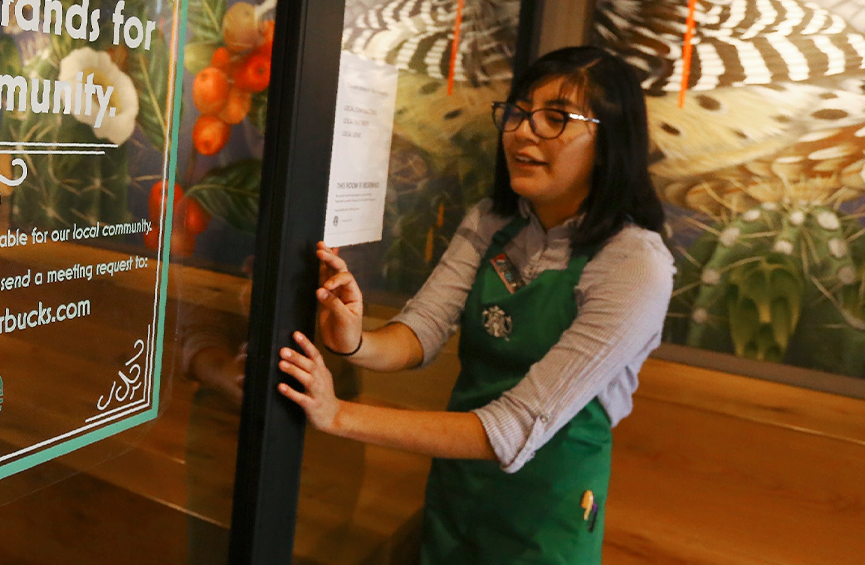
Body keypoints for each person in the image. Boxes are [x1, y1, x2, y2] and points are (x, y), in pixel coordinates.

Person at [277, 46, 675, 564]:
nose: (524, 131)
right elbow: (423, 329)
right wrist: (354, 338)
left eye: (555, 118)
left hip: (545, 518)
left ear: (609, 144)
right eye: (519, 112)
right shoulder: (492, 221)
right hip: (457, 490)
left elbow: (513, 428)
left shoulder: (634, 264)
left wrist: (340, 416)